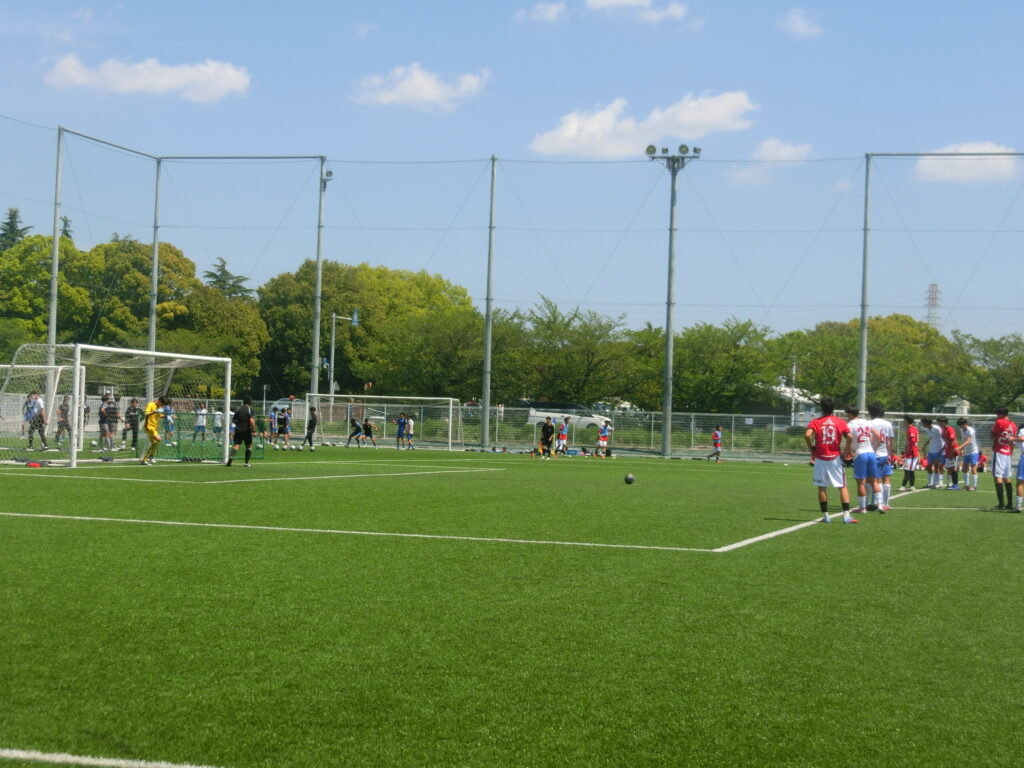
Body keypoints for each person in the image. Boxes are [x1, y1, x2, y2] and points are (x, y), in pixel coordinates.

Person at [805, 397, 855, 523]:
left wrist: (812, 449)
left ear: (821, 408)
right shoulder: (840, 421)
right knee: (842, 486)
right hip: (834, 458)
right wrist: (847, 451)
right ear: (833, 408)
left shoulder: (815, 422)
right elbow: (850, 436)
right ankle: (846, 516)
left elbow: (807, 435)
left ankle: (825, 516)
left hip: (820, 458)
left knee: (822, 487)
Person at [846, 405, 881, 513]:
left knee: (860, 482)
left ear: (850, 414)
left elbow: (849, 437)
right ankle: (880, 505)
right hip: (871, 453)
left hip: (860, 454)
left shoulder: (850, 424)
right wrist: (874, 448)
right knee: (874, 481)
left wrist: (848, 451)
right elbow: (878, 436)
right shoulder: (867, 422)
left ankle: (862, 507)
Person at [868, 403, 895, 511]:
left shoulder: (870, 423)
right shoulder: (887, 424)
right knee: (886, 478)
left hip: (875, 454)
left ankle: (876, 502)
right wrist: (890, 454)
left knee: (875, 479)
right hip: (885, 454)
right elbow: (890, 440)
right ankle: (886, 503)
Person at [990, 406, 1017, 510]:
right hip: (1008, 453)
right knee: (1007, 478)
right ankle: (1009, 504)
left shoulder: (999, 422)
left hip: (999, 451)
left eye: (997, 414)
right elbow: (1013, 441)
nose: (997, 416)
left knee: (998, 477)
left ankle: (1001, 504)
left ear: (1001, 414)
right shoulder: (1013, 425)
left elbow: (992, 436)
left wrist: (993, 432)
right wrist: (1010, 453)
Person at [226, 395, 256, 467]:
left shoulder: (238, 409)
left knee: (236, 445)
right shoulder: (250, 409)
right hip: (246, 430)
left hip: (238, 429)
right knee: (249, 446)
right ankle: (246, 463)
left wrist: (238, 424)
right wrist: (254, 430)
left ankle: (230, 459)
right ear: (250, 402)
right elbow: (251, 421)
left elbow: (233, 420)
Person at [140, 395, 169, 465]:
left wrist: (166, 416)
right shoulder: (151, 404)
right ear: (159, 400)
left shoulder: (159, 407)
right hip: (149, 426)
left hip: (154, 428)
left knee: (155, 442)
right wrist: (154, 412)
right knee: (158, 439)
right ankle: (147, 458)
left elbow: (159, 415)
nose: (162, 406)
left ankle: (150, 456)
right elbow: (146, 414)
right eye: (162, 404)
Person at [956, 417, 980, 492]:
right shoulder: (961, 430)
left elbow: (969, 441)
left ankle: (974, 486)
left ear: (965, 424)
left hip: (973, 451)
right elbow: (963, 440)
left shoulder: (970, 430)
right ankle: (967, 485)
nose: (960, 427)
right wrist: (962, 450)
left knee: (973, 469)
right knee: (964, 468)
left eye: (961, 425)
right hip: (966, 452)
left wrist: (959, 447)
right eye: (959, 425)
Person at [937, 416, 960, 489]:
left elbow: (952, 442)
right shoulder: (943, 430)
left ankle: (955, 485)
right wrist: (942, 450)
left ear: (944, 422)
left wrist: (951, 453)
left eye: (940, 422)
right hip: (948, 451)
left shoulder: (950, 429)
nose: (939, 424)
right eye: (938, 422)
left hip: (953, 451)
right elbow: (947, 442)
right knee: (949, 468)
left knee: (954, 468)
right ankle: (949, 484)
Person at [921, 417, 945, 489]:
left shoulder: (937, 428)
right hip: (931, 451)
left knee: (937, 467)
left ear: (927, 423)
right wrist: (924, 446)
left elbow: (943, 438)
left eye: (923, 423)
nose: (922, 425)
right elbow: (930, 439)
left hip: (938, 450)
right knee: (928, 467)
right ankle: (930, 483)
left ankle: (939, 483)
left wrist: (942, 449)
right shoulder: (928, 429)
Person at [900, 414, 919, 491]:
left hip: (912, 452)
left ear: (907, 421)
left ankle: (903, 486)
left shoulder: (911, 429)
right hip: (910, 452)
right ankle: (911, 486)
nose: (903, 421)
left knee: (908, 469)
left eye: (904, 420)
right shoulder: (911, 428)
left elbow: (913, 440)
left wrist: (909, 448)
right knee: (910, 470)